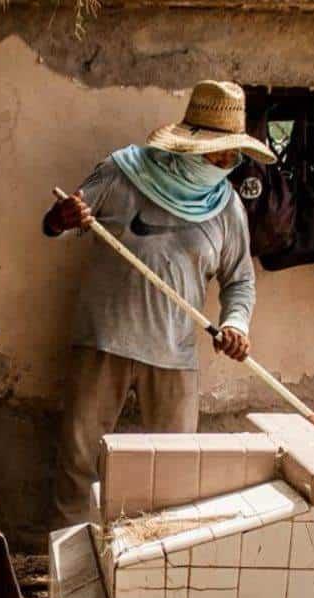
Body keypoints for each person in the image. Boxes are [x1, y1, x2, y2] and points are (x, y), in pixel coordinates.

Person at [43, 80, 276, 526]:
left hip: (175, 355)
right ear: (189, 144)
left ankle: (156, 567)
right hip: (104, 343)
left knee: (174, 474)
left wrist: (237, 326)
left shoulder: (227, 207)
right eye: (217, 153)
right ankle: (66, 567)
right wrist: (61, 219)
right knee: (79, 464)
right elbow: (57, 223)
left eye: (232, 156)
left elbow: (240, 281)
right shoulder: (121, 174)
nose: (226, 163)